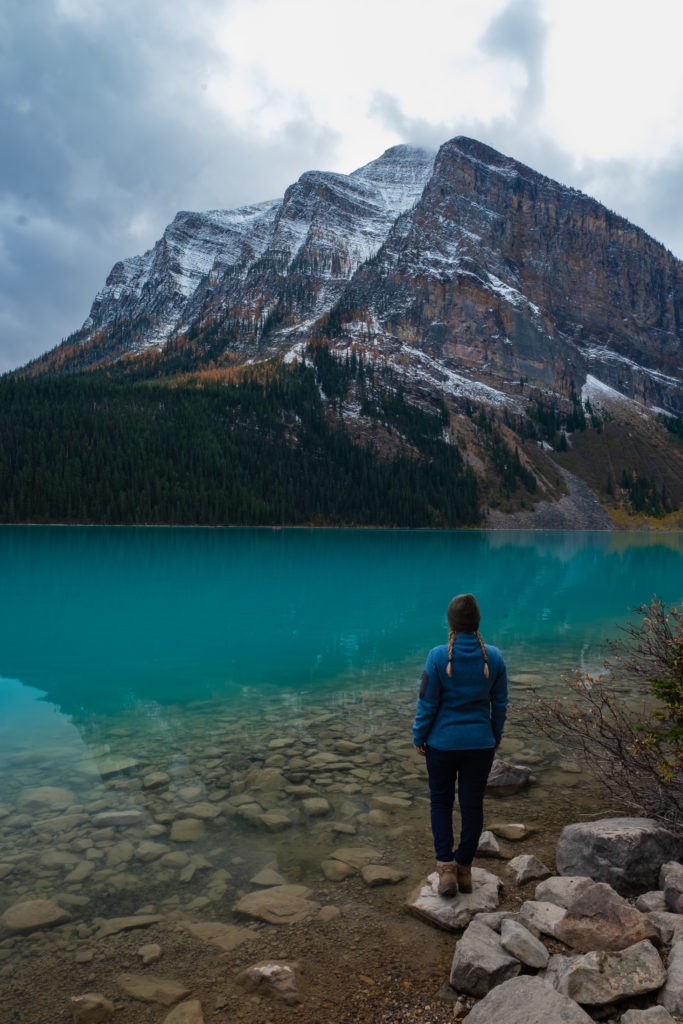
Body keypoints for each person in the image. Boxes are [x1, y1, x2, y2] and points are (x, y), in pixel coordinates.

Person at [412, 593, 508, 897]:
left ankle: (446, 870)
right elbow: (501, 704)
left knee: (441, 802)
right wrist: (495, 736)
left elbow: (427, 702)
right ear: (478, 622)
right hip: (480, 745)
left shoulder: (438, 656)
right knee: (472, 804)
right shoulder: (493, 656)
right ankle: (464, 868)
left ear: (450, 623)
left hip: (442, 745)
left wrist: (419, 735)